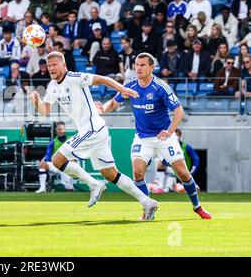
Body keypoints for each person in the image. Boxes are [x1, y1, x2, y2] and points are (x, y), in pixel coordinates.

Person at [29, 51, 158, 219]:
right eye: (49, 65)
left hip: (92, 129)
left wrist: (121, 88)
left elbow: (102, 79)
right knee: (111, 174)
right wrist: (36, 101)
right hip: (96, 130)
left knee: (57, 160)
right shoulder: (53, 86)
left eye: (55, 64)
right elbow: (44, 111)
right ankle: (148, 202)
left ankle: (93, 184)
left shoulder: (74, 77)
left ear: (63, 65)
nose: (52, 68)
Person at [100, 52, 211, 219]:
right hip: (142, 138)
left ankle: (197, 206)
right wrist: (102, 109)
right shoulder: (130, 86)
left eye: (143, 65)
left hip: (164, 137)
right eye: (137, 65)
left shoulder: (161, 87)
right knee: (137, 172)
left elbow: (179, 111)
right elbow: (114, 102)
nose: (138, 68)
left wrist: (170, 131)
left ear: (152, 67)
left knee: (183, 173)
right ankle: (147, 209)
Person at [35, 121, 74, 193]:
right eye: (59, 129)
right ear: (56, 130)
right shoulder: (53, 141)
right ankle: (42, 188)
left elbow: (74, 153)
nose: (61, 131)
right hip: (55, 165)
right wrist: (44, 160)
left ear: (65, 129)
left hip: (66, 166)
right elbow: (48, 153)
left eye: (62, 129)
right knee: (43, 165)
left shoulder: (70, 140)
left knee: (69, 190)